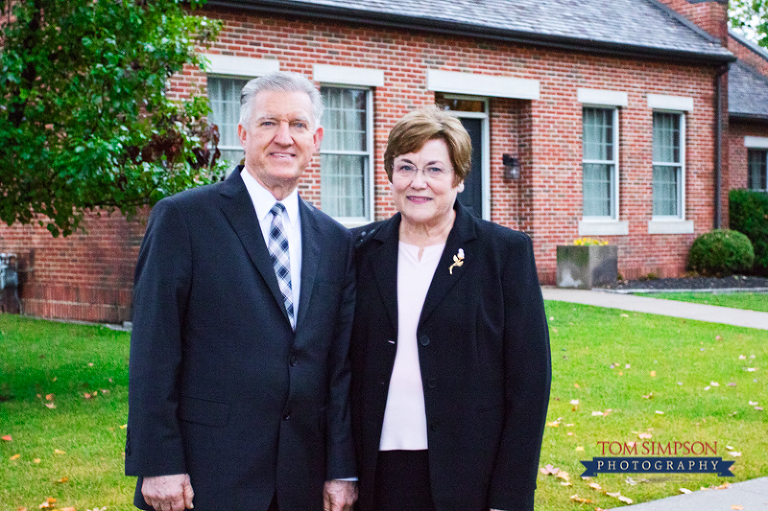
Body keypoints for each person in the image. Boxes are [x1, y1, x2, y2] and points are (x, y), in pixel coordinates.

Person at [125, 71, 358, 511]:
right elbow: (154, 349)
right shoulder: (184, 219)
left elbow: (338, 369)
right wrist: (157, 462)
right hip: (207, 474)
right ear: (243, 133)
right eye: (269, 123)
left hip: (301, 478)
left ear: (317, 138)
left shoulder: (336, 240)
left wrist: (340, 468)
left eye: (299, 125)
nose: (284, 138)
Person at [349, 107, 551, 511]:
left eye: (434, 169)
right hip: (374, 473)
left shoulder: (503, 254)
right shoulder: (356, 251)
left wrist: (510, 496)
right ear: (390, 173)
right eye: (405, 167)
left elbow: (529, 383)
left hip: (468, 474)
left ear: (458, 178)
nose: (417, 183)